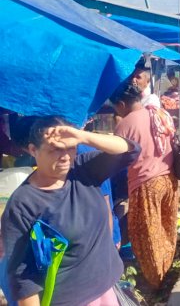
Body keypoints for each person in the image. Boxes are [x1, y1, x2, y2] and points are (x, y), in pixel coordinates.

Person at [2, 117, 140, 305]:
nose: (66, 156)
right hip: (72, 299)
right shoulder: (23, 204)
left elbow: (130, 150)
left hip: (108, 288)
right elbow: (22, 276)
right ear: (33, 150)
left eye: (70, 148)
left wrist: (81, 136)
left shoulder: (83, 169)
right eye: (55, 149)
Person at [111, 83, 178, 288]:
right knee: (166, 227)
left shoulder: (125, 125)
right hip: (169, 178)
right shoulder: (160, 113)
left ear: (121, 104)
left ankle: (158, 282)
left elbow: (117, 159)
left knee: (147, 236)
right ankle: (167, 269)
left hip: (145, 183)